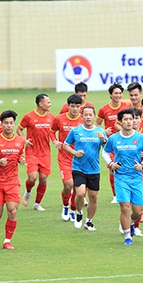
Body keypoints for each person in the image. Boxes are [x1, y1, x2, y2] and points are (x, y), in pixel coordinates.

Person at [103, 108, 143, 245]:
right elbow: (105, 153)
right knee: (125, 207)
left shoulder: (140, 137)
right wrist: (111, 163)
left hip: (136, 178)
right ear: (120, 121)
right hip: (121, 178)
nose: (129, 122)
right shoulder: (114, 138)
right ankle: (127, 236)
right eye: (126, 119)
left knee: (137, 212)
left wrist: (142, 165)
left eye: (131, 119)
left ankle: (129, 222)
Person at [0, 110, 26, 250]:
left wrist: (21, 160)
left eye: (11, 123)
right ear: (1, 124)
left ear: (14, 124)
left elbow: (20, 154)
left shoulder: (20, 141)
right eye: (6, 123)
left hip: (12, 181)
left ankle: (7, 240)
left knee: (12, 211)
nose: (8, 126)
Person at [64, 106, 107, 231]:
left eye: (90, 115)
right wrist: (75, 153)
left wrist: (103, 140)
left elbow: (107, 148)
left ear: (94, 116)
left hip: (94, 169)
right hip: (79, 167)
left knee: (93, 197)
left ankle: (89, 221)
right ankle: (79, 212)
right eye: (86, 115)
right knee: (80, 193)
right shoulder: (76, 131)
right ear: (82, 116)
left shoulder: (100, 131)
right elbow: (65, 145)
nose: (88, 117)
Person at [18, 93, 54, 211]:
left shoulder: (51, 117)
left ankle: (37, 204)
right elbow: (19, 129)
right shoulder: (29, 116)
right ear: (40, 103)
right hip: (32, 152)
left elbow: (53, 132)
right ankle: (28, 191)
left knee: (43, 178)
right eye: (48, 102)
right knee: (32, 178)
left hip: (45, 153)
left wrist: (55, 141)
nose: (50, 104)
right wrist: (24, 140)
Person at [51, 94, 83, 222]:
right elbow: (51, 131)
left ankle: (73, 210)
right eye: (72, 106)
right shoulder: (59, 119)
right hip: (64, 157)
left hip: (79, 159)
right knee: (68, 185)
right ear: (68, 106)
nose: (75, 109)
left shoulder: (83, 120)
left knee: (78, 187)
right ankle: (65, 205)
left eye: (77, 106)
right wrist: (55, 141)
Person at [96, 83, 129, 203]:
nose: (118, 95)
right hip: (110, 143)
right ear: (110, 94)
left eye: (120, 93)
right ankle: (115, 195)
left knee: (125, 166)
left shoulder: (126, 106)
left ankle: (125, 191)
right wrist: (103, 131)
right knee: (112, 168)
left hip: (125, 141)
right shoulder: (104, 109)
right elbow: (98, 124)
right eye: (116, 93)